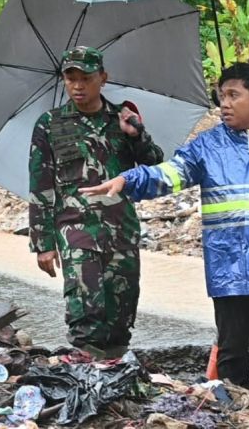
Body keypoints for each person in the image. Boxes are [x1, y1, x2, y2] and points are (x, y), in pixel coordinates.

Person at [79, 63, 249, 414]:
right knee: (231, 348)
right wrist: (128, 180)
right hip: (229, 265)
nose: (224, 103)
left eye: (233, 95)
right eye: (221, 95)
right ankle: (236, 416)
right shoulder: (208, 145)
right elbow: (171, 173)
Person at [28, 46, 164, 359]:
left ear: (103, 78)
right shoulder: (49, 124)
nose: (77, 86)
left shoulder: (123, 119)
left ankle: (113, 374)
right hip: (75, 230)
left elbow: (154, 166)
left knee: (121, 312)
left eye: (86, 78)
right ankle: (85, 371)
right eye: (70, 78)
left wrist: (136, 135)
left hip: (121, 230)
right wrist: (43, 244)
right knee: (85, 308)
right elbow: (40, 186)